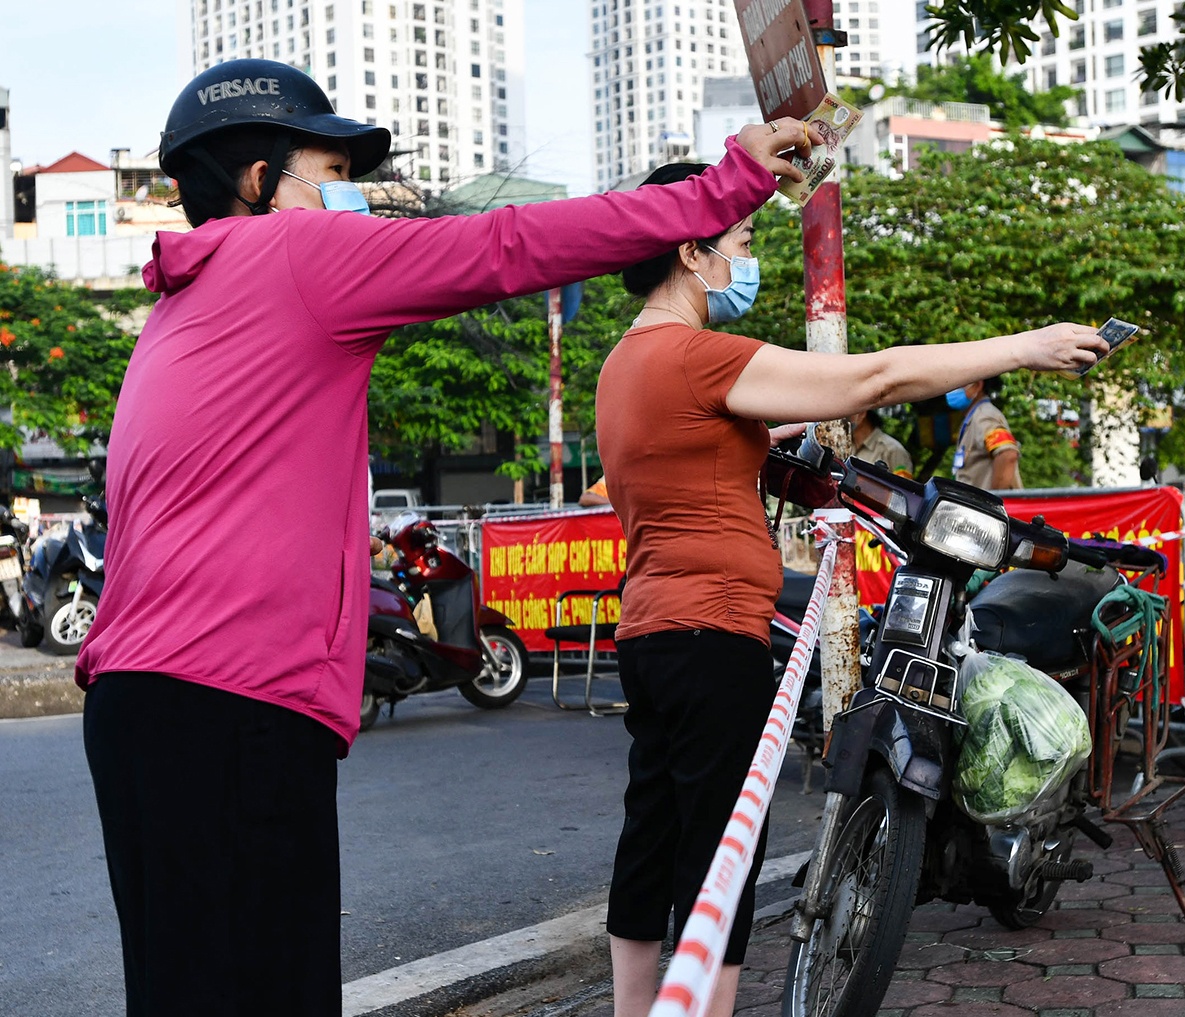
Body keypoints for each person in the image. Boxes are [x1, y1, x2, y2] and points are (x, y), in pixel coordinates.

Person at [74, 59, 818, 1017]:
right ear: (260, 180)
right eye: (331, 171)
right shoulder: (296, 253)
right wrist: (726, 186)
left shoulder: (178, 306)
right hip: (233, 707)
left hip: (136, 706)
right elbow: (511, 244)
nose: (353, 196)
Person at [594, 162, 1109, 1017]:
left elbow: (689, 451)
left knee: (652, 829)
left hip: (651, 630)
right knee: (723, 851)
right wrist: (1027, 347)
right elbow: (876, 377)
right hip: (713, 632)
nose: (744, 259)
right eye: (740, 240)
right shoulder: (696, 355)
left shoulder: (624, 363)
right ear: (689, 251)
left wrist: (767, 436)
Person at [948, 377, 1022, 491]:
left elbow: (1007, 454)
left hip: (985, 503)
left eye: (958, 385)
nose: (951, 390)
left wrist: (996, 498)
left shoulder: (984, 416)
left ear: (977, 385)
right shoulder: (973, 417)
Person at [849, 408, 913, 478]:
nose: (842, 419)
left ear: (861, 413)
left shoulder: (893, 450)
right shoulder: (845, 445)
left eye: (847, 415)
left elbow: (902, 484)